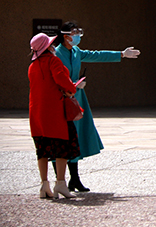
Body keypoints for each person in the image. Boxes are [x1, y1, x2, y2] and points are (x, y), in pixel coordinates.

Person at [54, 21, 140, 192]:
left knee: (76, 137)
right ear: (66, 36)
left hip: (76, 99)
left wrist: (121, 54)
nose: (78, 36)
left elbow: (96, 55)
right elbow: (55, 78)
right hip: (61, 99)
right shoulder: (56, 54)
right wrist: (72, 85)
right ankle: (61, 180)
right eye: (74, 33)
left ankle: (74, 179)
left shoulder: (76, 51)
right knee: (63, 138)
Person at [29, 33, 85, 199]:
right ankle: (60, 183)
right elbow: (61, 79)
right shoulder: (53, 61)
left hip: (37, 112)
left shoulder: (32, 65)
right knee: (62, 147)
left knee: (42, 149)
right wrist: (72, 88)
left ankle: (44, 185)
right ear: (47, 47)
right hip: (55, 111)